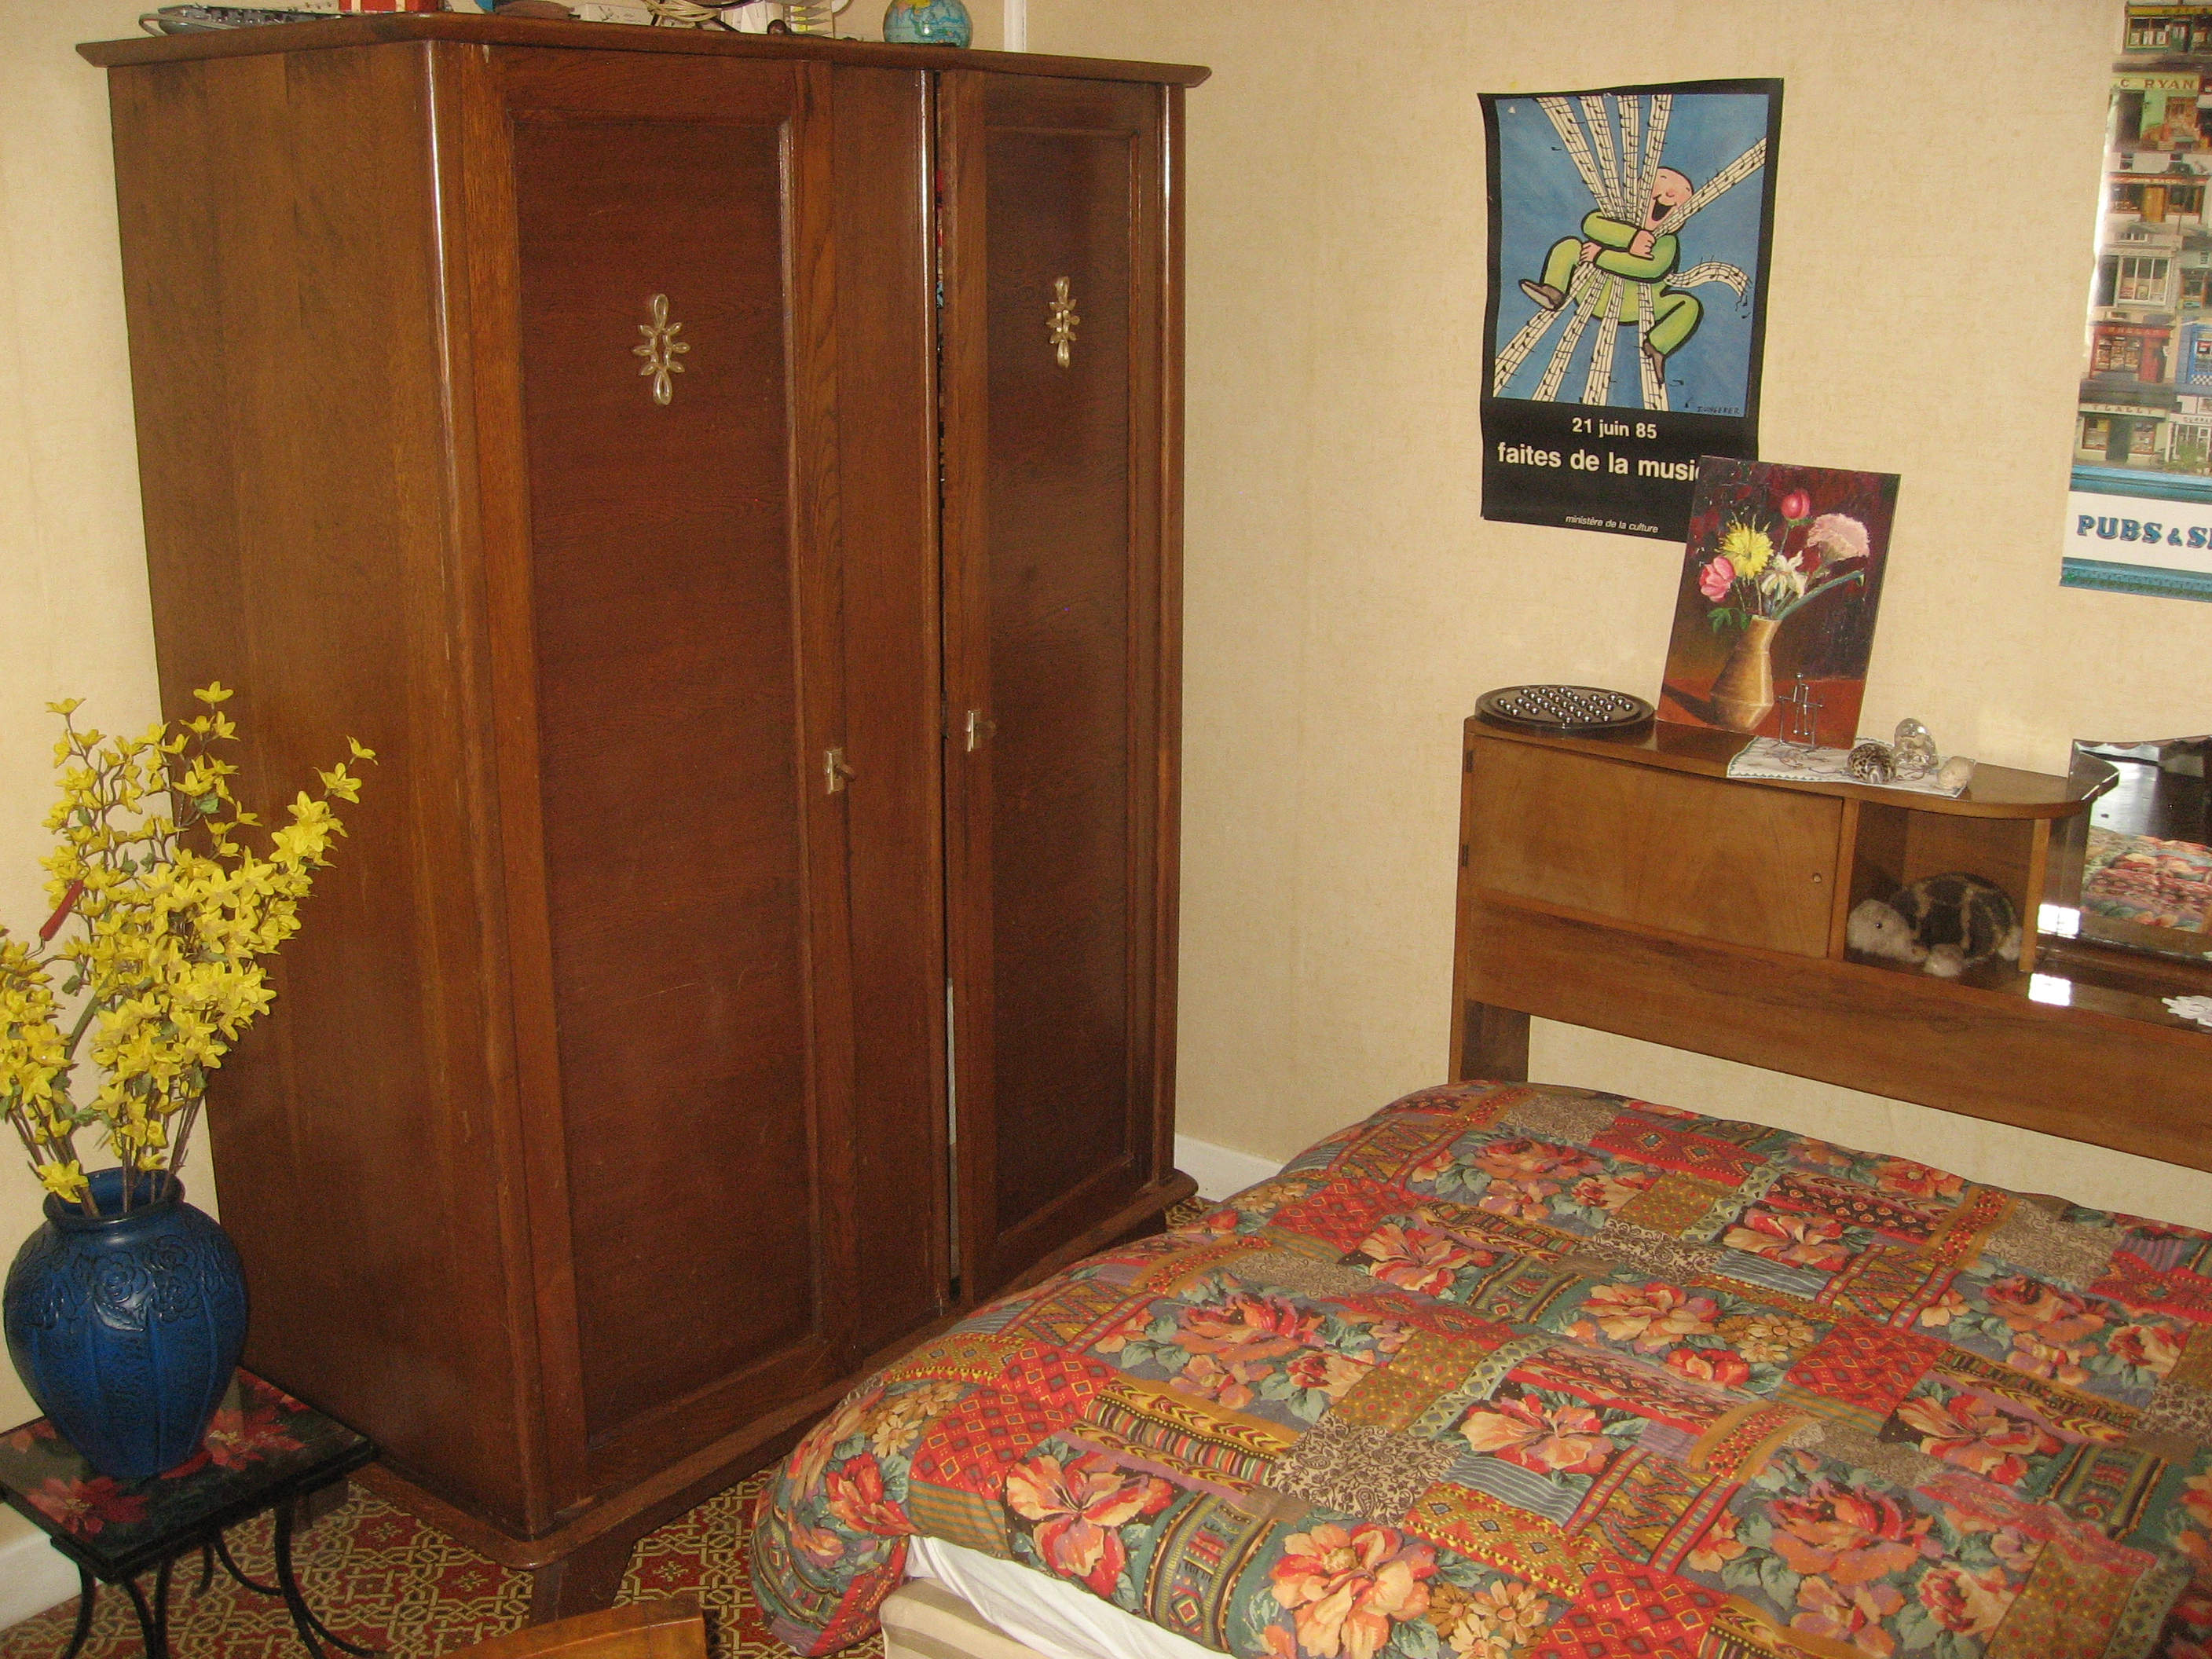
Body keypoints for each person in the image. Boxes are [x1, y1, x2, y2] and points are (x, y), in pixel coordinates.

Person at [1519, 166, 1702, 366]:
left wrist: (1600, 256)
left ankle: (1658, 344)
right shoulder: (1616, 215)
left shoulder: (1667, 242)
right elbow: (1591, 224)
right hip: (1589, 285)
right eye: (1663, 180)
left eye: (1683, 194)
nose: (1671, 193)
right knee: (1570, 246)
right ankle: (1553, 290)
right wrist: (1632, 237)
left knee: (1688, 305)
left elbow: (1651, 270)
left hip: (1637, 304)